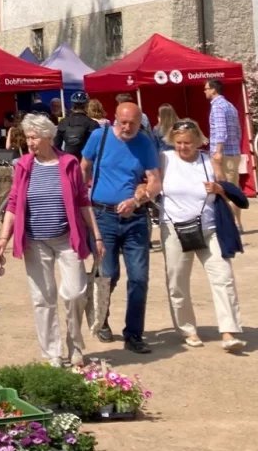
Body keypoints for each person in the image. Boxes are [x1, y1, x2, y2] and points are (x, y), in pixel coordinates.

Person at [0, 114, 101, 368]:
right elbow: (14, 204)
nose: (29, 142)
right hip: (34, 240)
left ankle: (75, 345)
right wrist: (3, 238)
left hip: (67, 239)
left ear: (48, 137)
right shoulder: (23, 165)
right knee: (43, 298)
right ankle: (52, 352)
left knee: (75, 293)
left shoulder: (69, 163)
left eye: (34, 137)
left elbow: (84, 202)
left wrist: (96, 235)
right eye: (28, 136)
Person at [81, 101, 162, 355]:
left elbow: (155, 181)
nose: (127, 127)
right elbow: (84, 166)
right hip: (103, 215)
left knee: (139, 277)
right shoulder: (99, 136)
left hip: (135, 218)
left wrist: (137, 199)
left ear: (141, 123)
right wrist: (83, 199)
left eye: (133, 123)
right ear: (114, 118)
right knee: (108, 274)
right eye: (123, 122)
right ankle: (101, 319)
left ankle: (134, 334)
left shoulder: (145, 143)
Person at [160, 120, 246, 352]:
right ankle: (187, 329)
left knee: (223, 276)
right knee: (177, 282)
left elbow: (226, 187)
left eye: (188, 142)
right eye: (178, 142)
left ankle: (229, 331)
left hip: (209, 228)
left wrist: (219, 188)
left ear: (198, 141)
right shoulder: (164, 159)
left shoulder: (209, 161)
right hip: (175, 229)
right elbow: (148, 181)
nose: (183, 147)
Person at [204, 79, 243, 226]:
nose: (205, 91)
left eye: (206, 89)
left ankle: (231, 224)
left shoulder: (218, 107)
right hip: (233, 152)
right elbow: (238, 130)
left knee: (225, 190)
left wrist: (218, 151)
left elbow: (221, 131)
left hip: (223, 154)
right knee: (233, 188)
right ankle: (237, 223)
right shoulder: (230, 106)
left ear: (214, 90)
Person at [54, 94, 95, 158]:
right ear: (86, 105)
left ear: (72, 105)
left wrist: (65, 157)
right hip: (86, 160)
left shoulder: (63, 122)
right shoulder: (92, 123)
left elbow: (56, 145)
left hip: (69, 159)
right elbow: (98, 146)